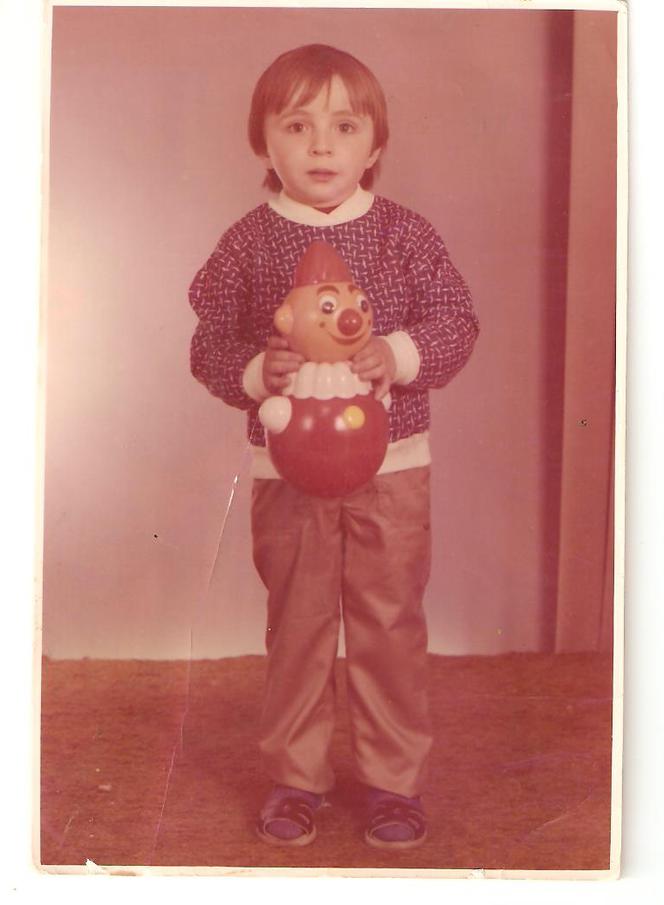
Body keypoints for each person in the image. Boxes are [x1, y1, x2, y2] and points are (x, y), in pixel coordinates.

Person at [189, 43, 479, 850]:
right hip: (286, 472)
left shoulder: (405, 235)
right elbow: (208, 343)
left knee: (389, 620)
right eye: (298, 126)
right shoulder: (247, 243)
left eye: (345, 127)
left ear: (375, 143)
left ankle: (394, 782)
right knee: (300, 623)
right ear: (263, 140)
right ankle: (297, 776)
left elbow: (457, 321)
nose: (322, 146)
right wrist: (258, 370)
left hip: (394, 467)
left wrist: (399, 354)